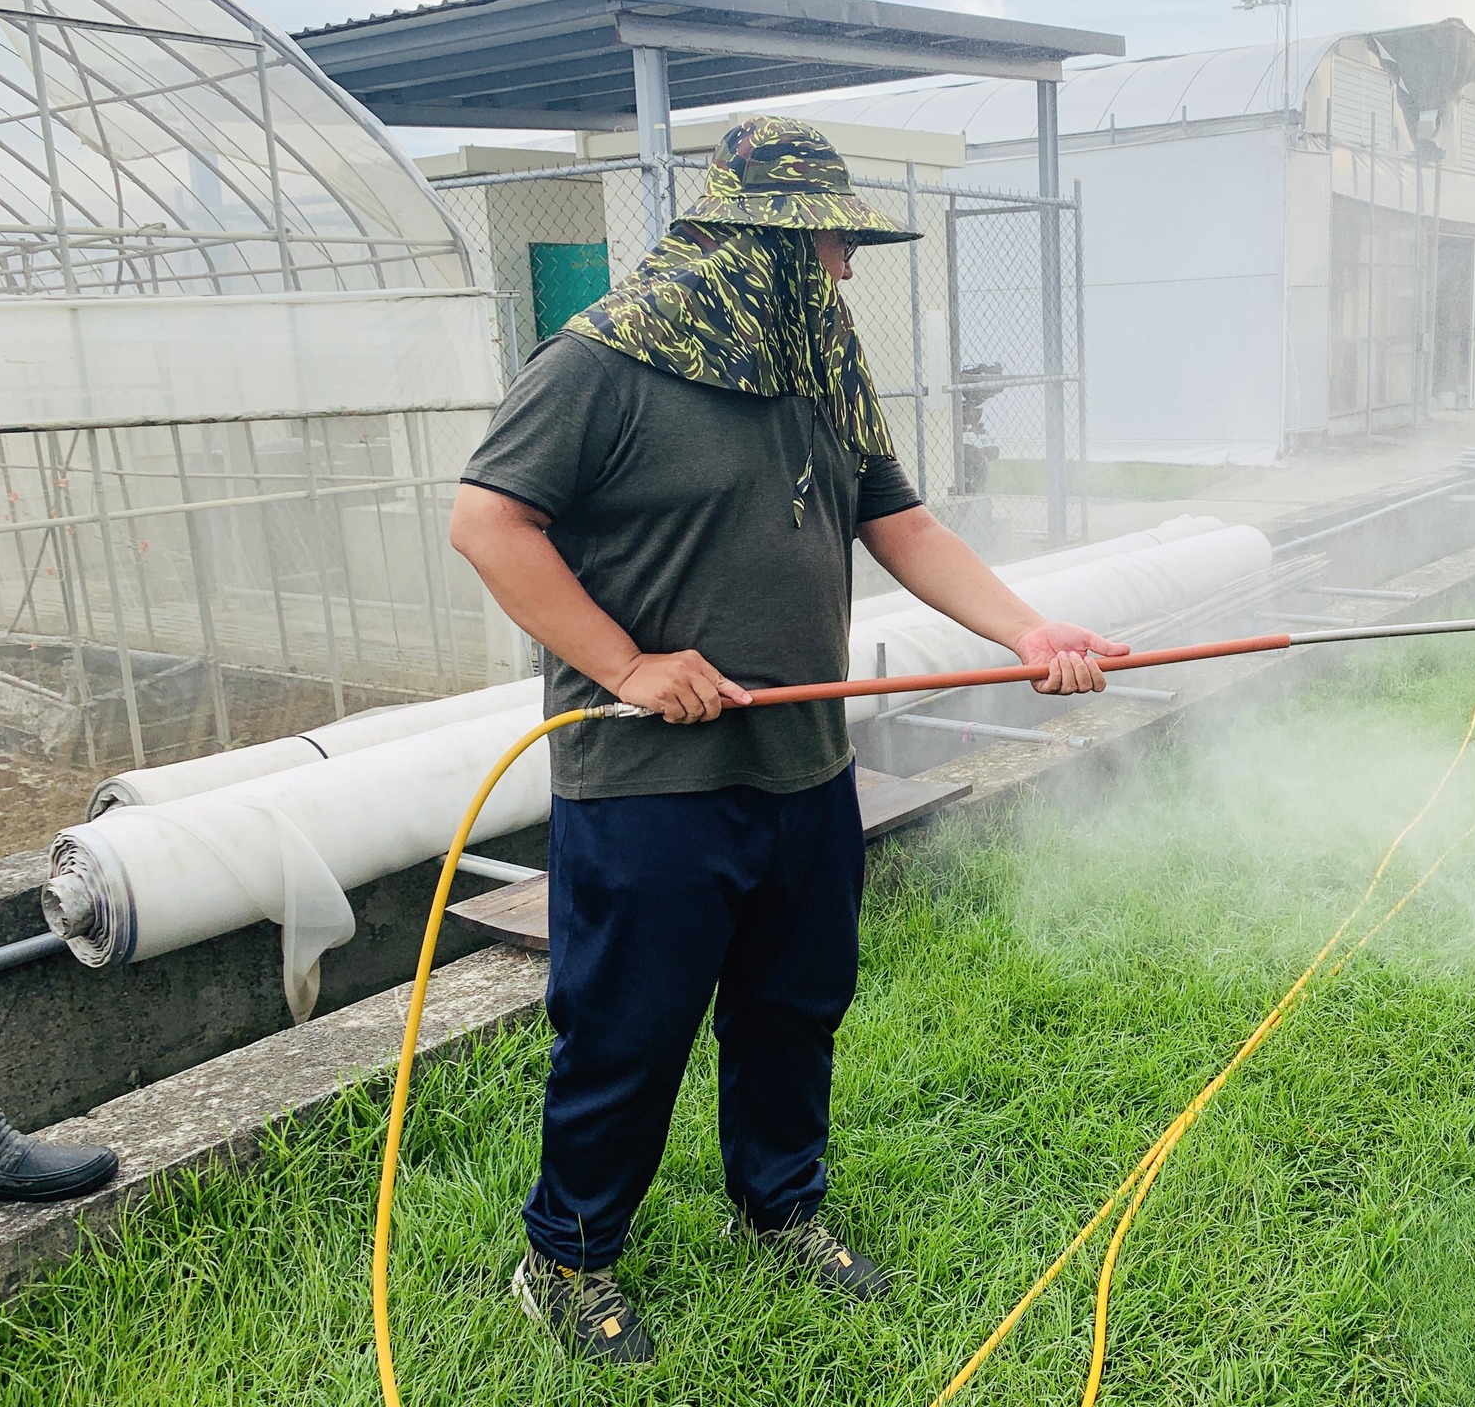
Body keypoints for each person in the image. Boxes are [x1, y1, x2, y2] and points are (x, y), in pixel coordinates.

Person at [450, 115, 1126, 1364]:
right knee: (627, 1028)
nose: (846, 268)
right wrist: (631, 666)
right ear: (757, 237)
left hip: (802, 763)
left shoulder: (818, 361)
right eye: (829, 243)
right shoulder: (601, 362)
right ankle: (566, 1259)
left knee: (794, 1005)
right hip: (650, 783)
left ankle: (779, 1210)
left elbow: (903, 526)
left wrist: (1030, 632)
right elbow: (489, 522)